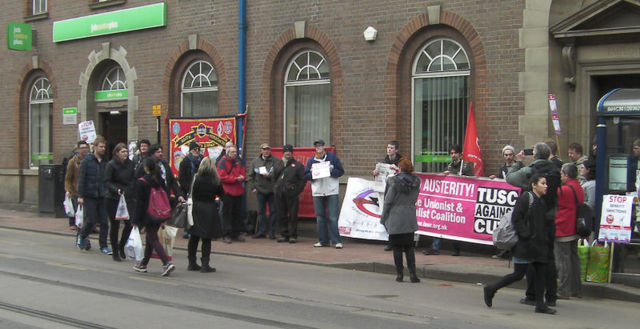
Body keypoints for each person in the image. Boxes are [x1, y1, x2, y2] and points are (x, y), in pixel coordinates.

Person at [483, 173, 557, 315]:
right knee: (518, 274)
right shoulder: (526, 198)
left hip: (539, 246)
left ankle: (540, 305)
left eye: (546, 183)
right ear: (534, 185)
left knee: (541, 273)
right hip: (526, 245)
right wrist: (526, 235)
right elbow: (516, 218)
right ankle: (491, 289)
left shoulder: (541, 201)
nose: (546, 186)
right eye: (543, 183)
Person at [506, 142, 560, 306]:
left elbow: (510, 178)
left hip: (533, 221)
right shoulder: (555, 171)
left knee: (531, 259)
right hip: (549, 219)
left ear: (535, 155)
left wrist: (519, 162)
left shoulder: (530, 171)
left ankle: (532, 295)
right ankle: (551, 296)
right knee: (548, 259)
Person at [424, 144, 471, 256]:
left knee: (456, 224)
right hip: (447, 201)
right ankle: (435, 247)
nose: (453, 155)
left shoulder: (466, 166)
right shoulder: (449, 166)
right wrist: (443, 175)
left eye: (455, 153)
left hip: (459, 201)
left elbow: (471, 181)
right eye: (451, 153)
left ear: (460, 154)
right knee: (439, 221)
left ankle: (456, 249)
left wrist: (458, 176)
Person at [132, 158, 175, 277]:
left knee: (153, 239)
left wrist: (135, 220)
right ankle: (143, 264)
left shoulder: (142, 182)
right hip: (159, 212)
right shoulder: (160, 180)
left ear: (146, 168)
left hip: (148, 213)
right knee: (150, 239)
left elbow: (140, 203)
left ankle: (166, 262)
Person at [380, 158, 421, 283]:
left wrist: (383, 217)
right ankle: (413, 274)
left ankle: (400, 274)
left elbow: (388, 201)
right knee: (409, 247)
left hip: (395, 216)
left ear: (400, 168)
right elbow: (415, 197)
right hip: (409, 215)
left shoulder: (393, 181)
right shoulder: (416, 181)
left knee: (397, 247)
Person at [305, 139, 345, 249]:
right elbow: (306, 175)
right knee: (320, 217)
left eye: (320, 146)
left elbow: (341, 172)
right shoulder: (311, 160)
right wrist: (312, 173)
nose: (318, 148)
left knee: (333, 217)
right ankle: (323, 241)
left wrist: (331, 170)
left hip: (331, 190)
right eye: (316, 146)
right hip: (318, 191)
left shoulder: (332, 158)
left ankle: (336, 241)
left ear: (324, 147)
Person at [187, 157, 224, 273]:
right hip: (209, 209)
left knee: (194, 237)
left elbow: (191, 192)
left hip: (196, 208)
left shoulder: (196, 178)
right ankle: (205, 264)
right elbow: (222, 194)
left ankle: (192, 263)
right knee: (206, 238)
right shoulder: (216, 179)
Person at [76, 136, 110, 254]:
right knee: (91, 219)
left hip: (102, 195)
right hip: (89, 195)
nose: (103, 149)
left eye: (104, 147)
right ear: (94, 147)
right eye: (101, 146)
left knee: (105, 222)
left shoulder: (106, 161)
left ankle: (104, 245)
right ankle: (82, 235)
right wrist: (80, 195)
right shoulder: (87, 160)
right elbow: (81, 178)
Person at [555, 163, 583, 299]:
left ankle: (564, 290)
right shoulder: (578, 187)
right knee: (573, 258)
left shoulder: (564, 190)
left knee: (563, 261)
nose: (560, 176)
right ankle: (576, 289)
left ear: (566, 175)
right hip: (574, 228)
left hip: (563, 228)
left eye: (561, 173)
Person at [104, 143, 136, 262]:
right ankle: (115, 252)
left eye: (126, 152)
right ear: (117, 153)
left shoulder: (130, 164)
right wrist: (116, 190)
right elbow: (106, 181)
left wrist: (130, 190)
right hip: (113, 198)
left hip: (127, 197)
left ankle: (121, 245)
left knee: (129, 223)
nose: (125, 154)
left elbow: (133, 178)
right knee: (115, 224)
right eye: (122, 152)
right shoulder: (111, 165)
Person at [372, 141, 403, 252]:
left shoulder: (402, 161)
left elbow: (407, 174)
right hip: (386, 191)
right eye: (388, 147)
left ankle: (396, 242)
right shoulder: (384, 162)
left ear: (396, 150)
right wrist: (375, 173)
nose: (389, 149)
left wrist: (398, 170)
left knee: (396, 218)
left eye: (391, 148)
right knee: (385, 217)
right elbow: (380, 175)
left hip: (397, 193)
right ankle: (392, 240)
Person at [248, 143, 283, 239]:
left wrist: (271, 176)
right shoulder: (255, 162)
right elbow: (250, 176)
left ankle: (272, 232)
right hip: (260, 190)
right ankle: (262, 231)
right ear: (261, 150)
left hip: (272, 190)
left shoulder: (276, 161)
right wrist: (253, 187)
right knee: (261, 212)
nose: (266, 151)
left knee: (273, 211)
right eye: (264, 149)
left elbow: (281, 174)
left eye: (268, 149)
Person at [274, 144, 306, 243]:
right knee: (281, 214)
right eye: (286, 151)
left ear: (292, 153)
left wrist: (297, 191)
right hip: (279, 194)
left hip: (291, 194)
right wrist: (275, 188)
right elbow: (273, 177)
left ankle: (293, 235)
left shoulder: (298, 165)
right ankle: (284, 234)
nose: (287, 153)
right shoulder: (278, 164)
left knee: (293, 215)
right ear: (283, 153)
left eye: (289, 151)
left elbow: (303, 180)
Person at [490, 145, 516, 259]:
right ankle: (503, 250)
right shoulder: (502, 169)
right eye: (506, 155)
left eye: (510, 155)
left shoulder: (517, 167)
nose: (508, 157)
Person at [217, 145, 247, 244]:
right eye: (232, 152)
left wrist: (243, 177)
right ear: (228, 153)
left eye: (235, 152)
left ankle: (236, 233)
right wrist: (235, 179)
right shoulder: (222, 162)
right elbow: (221, 176)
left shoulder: (239, 161)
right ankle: (226, 234)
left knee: (237, 213)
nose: (234, 154)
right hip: (227, 192)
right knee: (226, 214)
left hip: (238, 191)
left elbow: (243, 172)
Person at [179, 141, 202, 239]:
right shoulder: (185, 162)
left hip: (200, 189)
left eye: (198, 149)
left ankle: (198, 228)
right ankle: (187, 229)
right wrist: (187, 188)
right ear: (190, 150)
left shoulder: (202, 160)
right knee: (188, 210)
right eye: (194, 149)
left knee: (198, 210)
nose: (196, 151)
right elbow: (182, 178)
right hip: (188, 190)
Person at [65, 141, 90, 231]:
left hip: (88, 190)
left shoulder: (91, 160)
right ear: (78, 149)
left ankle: (88, 227)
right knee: (79, 211)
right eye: (82, 148)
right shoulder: (73, 162)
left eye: (86, 147)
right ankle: (78, 227)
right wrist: (68, 190)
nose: (84, 150)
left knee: (88, 212)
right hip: (76, 190)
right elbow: (68, 178)